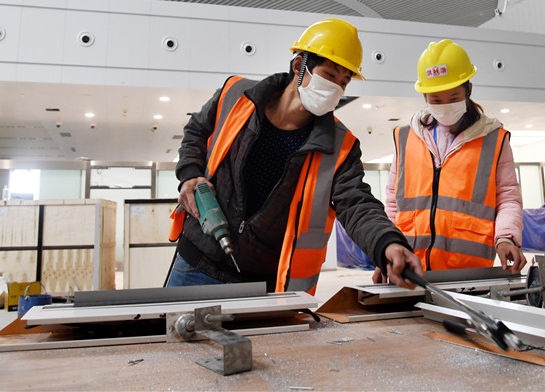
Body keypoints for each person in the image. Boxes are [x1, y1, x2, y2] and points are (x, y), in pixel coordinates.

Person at [167, 18, 422, 294]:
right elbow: (196, 131)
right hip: (195, 263)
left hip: (263, 280)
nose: (337, 88)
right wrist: (190, 175)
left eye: (344, 82)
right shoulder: (236, 95)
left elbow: (356, 203)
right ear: (300, 66)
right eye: (330, 75)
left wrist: (387, 242)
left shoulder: (339, 145)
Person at [373, 39, 526, 283]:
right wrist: (385, 249)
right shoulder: (405, 137)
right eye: (435, 100)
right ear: (424, 95)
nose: (445, 107)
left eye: (453, 97)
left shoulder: (493, 139)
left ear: (469, 89)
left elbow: (507, 197)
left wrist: (507, 237)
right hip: (410, 271)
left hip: (470, 273)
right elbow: (393, 202)